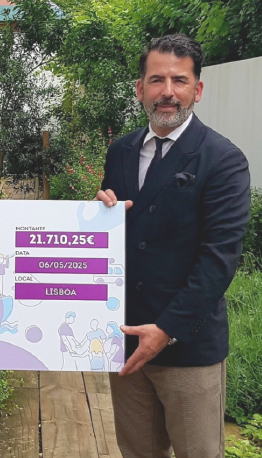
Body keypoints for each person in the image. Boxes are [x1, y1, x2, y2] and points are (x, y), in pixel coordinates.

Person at [96, 35, 250, 458]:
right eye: (156, 80)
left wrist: (165, 330)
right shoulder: (121, 151)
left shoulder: (223, 159)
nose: (167, 92)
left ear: (197, 90)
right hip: (126, 338)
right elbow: (117, 233)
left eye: (179, 80)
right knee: (137, 451)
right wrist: (97, 216)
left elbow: (219, 259)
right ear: (140, 88)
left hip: (188, 346)